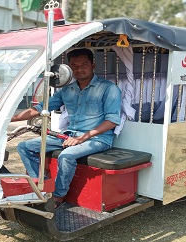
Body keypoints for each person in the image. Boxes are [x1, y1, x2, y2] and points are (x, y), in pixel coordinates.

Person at [11, 48, 122, 207]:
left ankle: (57, 197)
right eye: (74, 66)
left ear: (93, 65)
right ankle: (40, 188)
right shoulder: (67, 90)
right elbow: (41, 109)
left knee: (66, 155)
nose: (79, 69)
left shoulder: (109, 89)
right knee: (24, 146)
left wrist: (82, 138)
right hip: (69, 135)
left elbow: (112, 121)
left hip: (99, 139)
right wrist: (10, 119)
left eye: (84, 65)